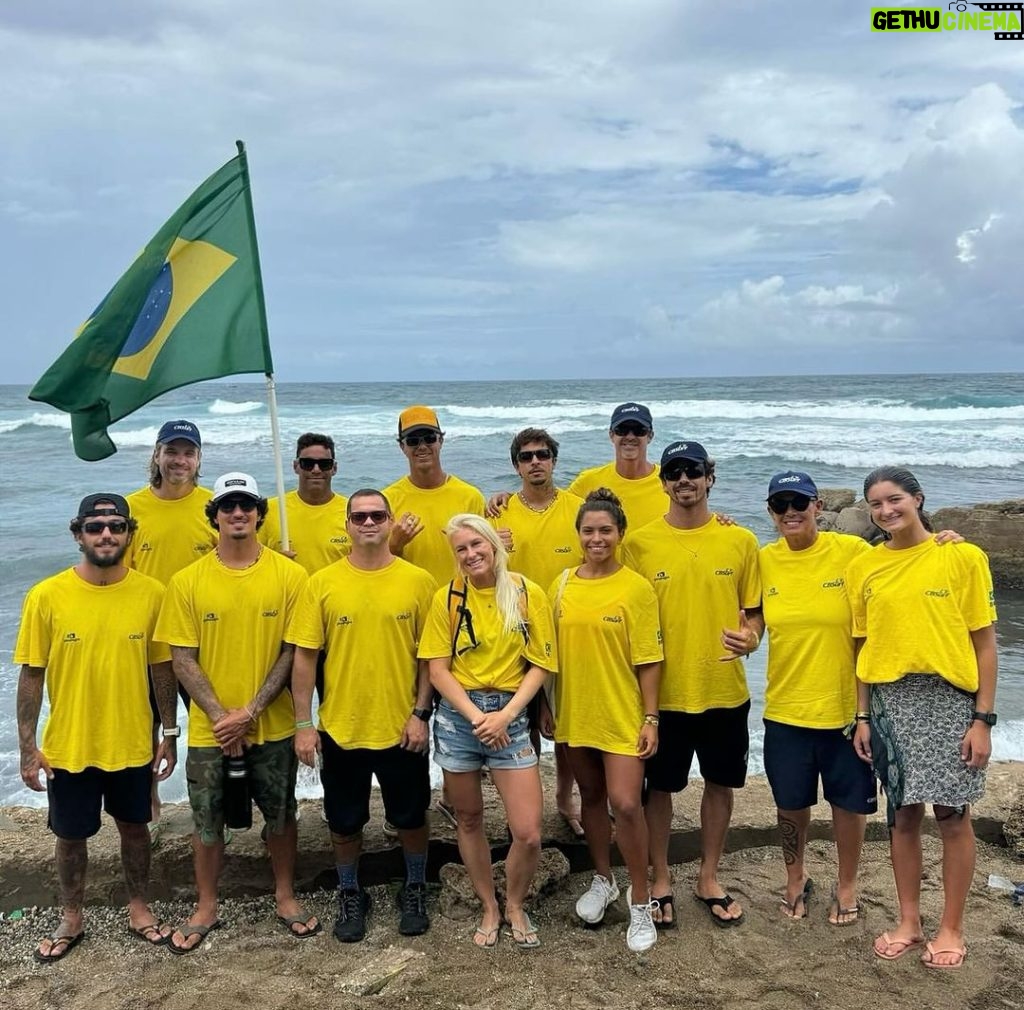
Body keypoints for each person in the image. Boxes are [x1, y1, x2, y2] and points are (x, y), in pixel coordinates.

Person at [155, 472, 317, 953]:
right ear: (214, 518)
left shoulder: (291, 576)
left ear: (261, 515)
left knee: (282, 815)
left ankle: (285, 895)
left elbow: (293, 649)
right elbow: (180, 657)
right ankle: (207, 905)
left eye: (247, 504)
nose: (238, 513)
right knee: (206, 821)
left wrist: (250, 711)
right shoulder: (187, 581)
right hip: (210, 729)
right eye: (228, 506)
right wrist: (223, 717)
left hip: (274, 721)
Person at [15, 494, 178, 963]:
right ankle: (72, 916)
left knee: (135, 829)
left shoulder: (152, 593)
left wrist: (169, 733)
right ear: (78, 534)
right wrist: (29, 747)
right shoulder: (47, 595)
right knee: (70, 836)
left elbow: (162, 669)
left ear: (130, 533)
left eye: (116, 526)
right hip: (69, 744)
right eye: (95, 526)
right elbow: (31, 676)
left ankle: (140, 908)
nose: (106, 534)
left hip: (131, 741)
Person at [848, 466, 997, 970]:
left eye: (895, 500)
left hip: (950, 699)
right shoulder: (865, 566)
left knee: (952, 818)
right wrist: (862, 716)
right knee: (902, 815)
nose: (886, 511)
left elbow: (984, 643)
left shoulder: (961, 557)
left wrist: (983, 719)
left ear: (917, 498)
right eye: (875, 505)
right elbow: (861, 647)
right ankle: (909, 921)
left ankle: (951, 927)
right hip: (891, 702)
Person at [623, 440, 762, 929]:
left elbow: (756, 615)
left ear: (710, 477)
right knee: (659, 790)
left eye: (694, 471)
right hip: (665, 694)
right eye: (675, 471)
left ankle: (708, 876)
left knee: (721, 786)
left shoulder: (740, 540)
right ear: (662, 481)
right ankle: (660, 878)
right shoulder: (638, 543)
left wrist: (751, 639)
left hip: (725, 689)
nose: (684, 479)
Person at [288, 489, 437, 943]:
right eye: (360, 516)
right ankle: (351, 892)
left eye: (377, 515)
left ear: (390, 522)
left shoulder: (418, 581)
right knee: (344, 821)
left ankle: (414, 885)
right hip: (342, 727)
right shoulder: (322, 583)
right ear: (347, 525)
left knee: (411, 816)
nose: (369, 523)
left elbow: (430, 658)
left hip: (401, 727)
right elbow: (305, 659)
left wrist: (421, 713)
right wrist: (303, 724)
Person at [417, 515, 556, 949]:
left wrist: (507, 715)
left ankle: (515, 901)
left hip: (511, 715)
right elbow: (437, 668)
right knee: (470, 818)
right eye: (462, 549)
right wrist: (477, 716)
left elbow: (542, 664)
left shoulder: (526, 592)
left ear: (494, 545)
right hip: (460, 718)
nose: (471, 554)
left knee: (528, 831)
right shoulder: (447, 598)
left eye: (478, 545)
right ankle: (489, 905)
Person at [545, 489, 663, 951]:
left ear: (620, 534)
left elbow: (650, 660)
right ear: (578, 535)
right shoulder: (562, 584)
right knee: (591, 796)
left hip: (622, 712)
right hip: (575, 710)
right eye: (588, 530)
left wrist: (650, 718)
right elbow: (548, 655)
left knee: (626, 803)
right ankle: (602, 879)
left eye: (605, 530)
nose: (597, 538)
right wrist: (545, 705)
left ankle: (640, 899)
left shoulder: (636, 587)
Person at [758, 471, 877, 924]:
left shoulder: (852, 553)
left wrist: (944, 542)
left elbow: (905, 559)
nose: (790, 511)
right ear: (770, 512)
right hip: (786, 708)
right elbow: (750, 613)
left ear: (818, 506)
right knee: (790, 803)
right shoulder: (763, 559)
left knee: (848, 805)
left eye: (799, 502)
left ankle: (847, 884)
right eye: (780, 504)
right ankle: (795, 877)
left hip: (846, 711)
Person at [385, 405, 487, 826]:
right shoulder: (390, 498)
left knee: (458, 711)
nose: (422, 446)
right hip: (406, 622)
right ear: (402, 446)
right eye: (414, 440)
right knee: (410, 711)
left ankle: (452, 795)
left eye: (429, 437)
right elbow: (375, 563)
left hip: (459, 618)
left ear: (442, 440)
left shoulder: (468, 496)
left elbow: (483, 559)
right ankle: (409, 804)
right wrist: (395, 541)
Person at [489, 427, 585, 837]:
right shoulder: (498, 511)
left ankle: (565, 799)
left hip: (570, 628)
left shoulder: (578, 509)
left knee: (566, 725)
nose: (535, 462)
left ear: (553, 460)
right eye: (526, 456)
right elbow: (479, 565)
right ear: (516, 465)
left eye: (542, 454)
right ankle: (524, 812)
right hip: (517, 631)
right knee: (522, 724)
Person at [125, 419, 217, 836]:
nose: (180, 460)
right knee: (143, 725)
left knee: (205, 727)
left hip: (202, 641)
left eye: (188, 452)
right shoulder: (131, 510)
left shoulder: (214, 506)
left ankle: (208, 812)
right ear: (156, 455)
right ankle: (149, 806)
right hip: (146, 641)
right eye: (172, 451)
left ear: (198, 459)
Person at [487, 403, 665, 533]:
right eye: (622, 430)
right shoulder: (589, 481)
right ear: (611, 435)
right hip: (605, 578)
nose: (630, 436)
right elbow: (550, 502)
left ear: (650, 436)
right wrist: (511, 498)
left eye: (639, 430)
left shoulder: (669, 482)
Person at [259, 432, 351, 574]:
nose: (316, 470)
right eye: (307, 464)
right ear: (296, 466)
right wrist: (272, 563)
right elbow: (248, 562)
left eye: (324, 464)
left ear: (334, 468)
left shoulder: (353, 513)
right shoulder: (269, 510)